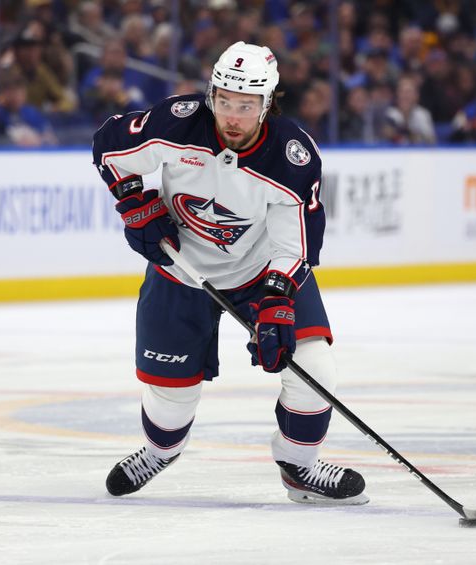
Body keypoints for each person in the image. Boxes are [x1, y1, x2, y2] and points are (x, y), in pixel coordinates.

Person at [92, 41, 367, 505]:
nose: (232, 116)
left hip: (261, 271)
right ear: (211, 93)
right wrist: (135, 202)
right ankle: (162, 450)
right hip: (180, 269)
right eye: (223, 101)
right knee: (168, 402)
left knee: (314, 365)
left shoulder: (292, 156)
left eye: (246, 105)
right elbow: (109, 148)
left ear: (267, 104)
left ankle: (299, 465)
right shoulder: (177, 122)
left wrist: (277, 299)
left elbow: (294, 244)